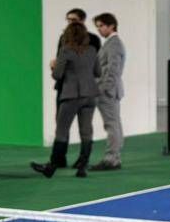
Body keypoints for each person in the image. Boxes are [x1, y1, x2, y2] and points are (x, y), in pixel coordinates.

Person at [32, 22, 99, 178]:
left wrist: (53, 66)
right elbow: (98, 72)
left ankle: (52, 166)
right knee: (86, 131)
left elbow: (57, 75)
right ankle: (82, 167)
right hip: (90, 95)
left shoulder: (65, 50)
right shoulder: (92, 50)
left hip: (71, 96)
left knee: (61, 131)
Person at [91, 12, 125, 170]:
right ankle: (114, 157)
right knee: (114, 124)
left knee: (111, 125)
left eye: (102, 26)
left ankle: (111, 159)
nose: (99, 29)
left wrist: (104, 89)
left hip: (107, 92)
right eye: (97, 26)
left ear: (112, 26)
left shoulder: (114, 44)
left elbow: (113, 70)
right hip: (110, 90)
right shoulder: (111, 43)